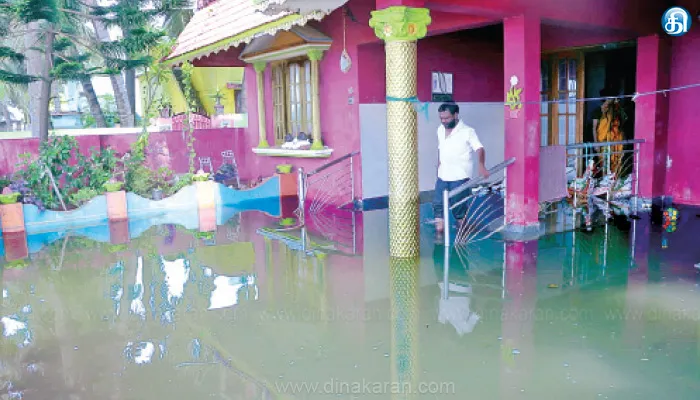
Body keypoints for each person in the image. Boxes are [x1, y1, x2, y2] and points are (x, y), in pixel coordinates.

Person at [433, 103, 489, 234]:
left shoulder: (468, 131)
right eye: (441, 118)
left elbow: (479, 148)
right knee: (437, 205)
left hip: (460, 176)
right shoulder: (440, 130)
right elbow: (441, 148)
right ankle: (439, 235)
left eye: (447, 118)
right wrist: (439, 164)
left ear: (455, 115)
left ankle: (463, 232)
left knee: (458, 208)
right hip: (442, 175)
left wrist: (481, 165)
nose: (443, 121)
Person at [592, 87, 627, 175]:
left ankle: (615, 181)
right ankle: (605, 182)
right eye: (609, 98)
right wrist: (596, 143)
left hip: (616, 141)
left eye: (612, 98)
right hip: (603, 141)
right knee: (604, 164)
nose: (611, 100)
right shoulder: (597, 111)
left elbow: (622, 123)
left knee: (617, 162)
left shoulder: (616, 111)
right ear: (605, 98)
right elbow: (594, 128)